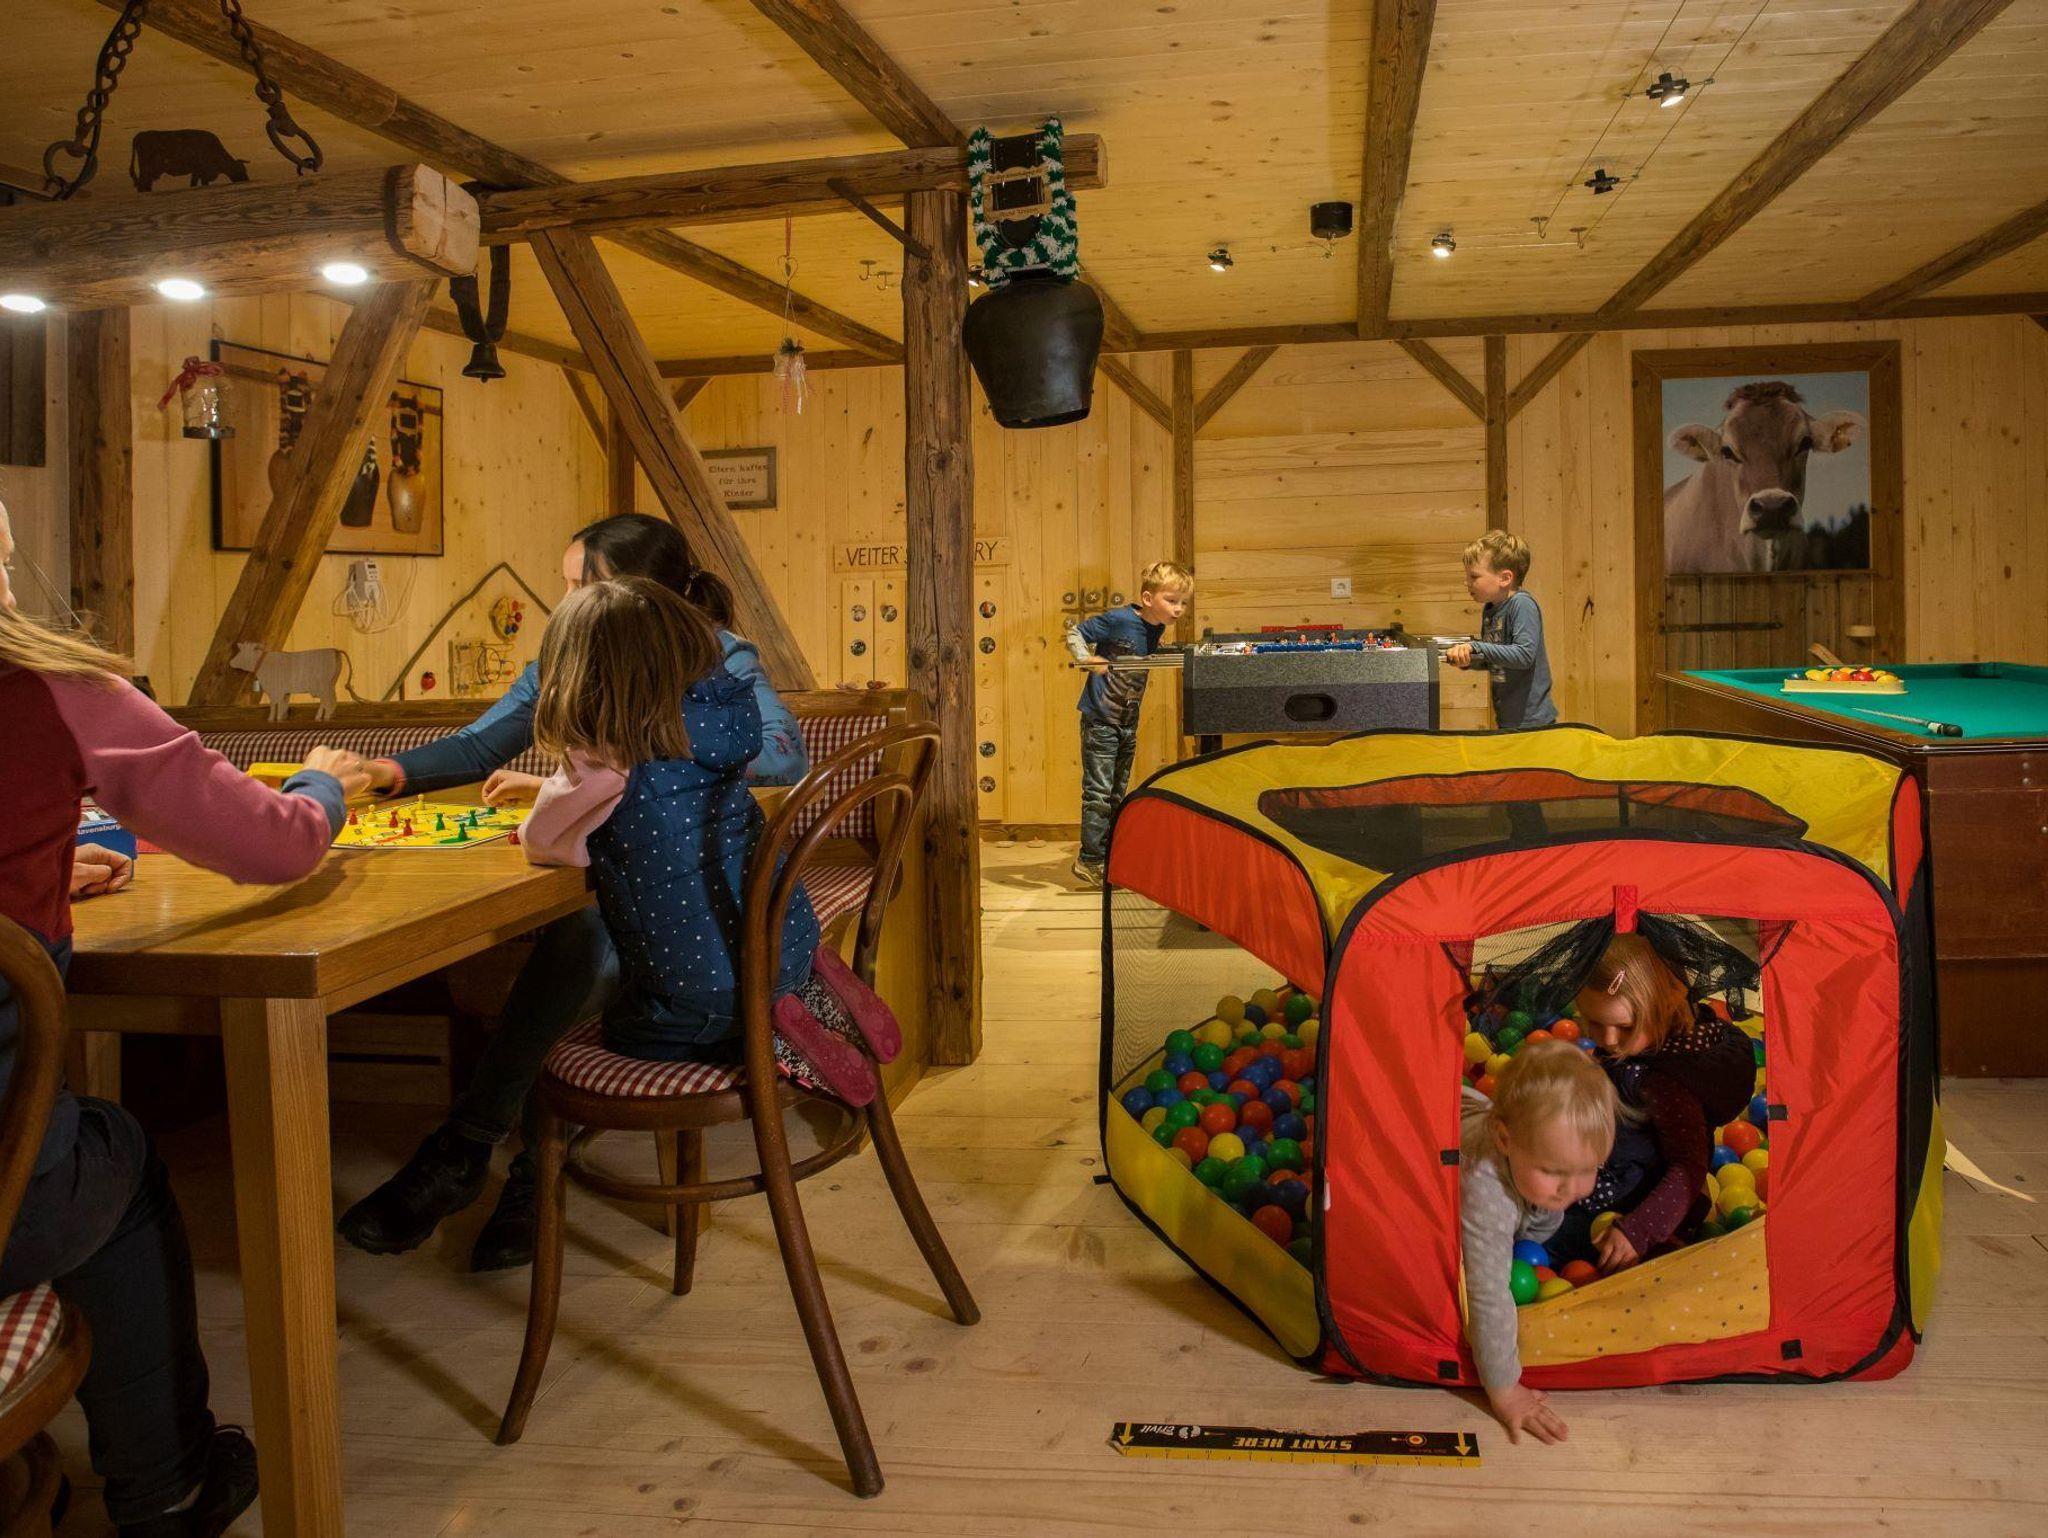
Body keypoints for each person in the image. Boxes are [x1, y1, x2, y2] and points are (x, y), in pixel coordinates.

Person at [0, 499, 369, 1536]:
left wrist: (35, 869)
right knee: (111, 1158)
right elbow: (278, 843)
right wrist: (325, 784)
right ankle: (167, 1486)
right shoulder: (54, 688)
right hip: (4, 1198)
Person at [337, 514, 808, 1271]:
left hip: (710, 899)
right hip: (648, 892)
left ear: (638, 595)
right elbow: (484, 743)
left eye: (578, 585)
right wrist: (389, 772)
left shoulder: (714, 655)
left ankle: (507, 1165)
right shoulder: (579, 645)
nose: (562, 603)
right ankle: (489, 1158)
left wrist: (633, 764)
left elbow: (782, 756)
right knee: (584, 936)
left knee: (586, 942)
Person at [518, 577, 820, 1061]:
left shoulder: (609, 759)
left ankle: (738, 1047)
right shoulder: (712, 735)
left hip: (694, 1006)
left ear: (579, 675)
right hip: (782, 955)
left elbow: (545, 841)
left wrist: (554, 792)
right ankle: (792, 1013)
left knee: (612, 1018)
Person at [1564, 934, 1755, 1272]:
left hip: (1638, 1206)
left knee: (1551, 1234)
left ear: (1663, 1008)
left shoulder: (1664, 1083)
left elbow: (1688, 1168)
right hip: (1615, 1164)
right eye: (1593, 1022)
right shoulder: (1640, 1047)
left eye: (1625, 1027)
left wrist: (1638, 1231)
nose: (1608, 1040)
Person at [1460, 1039, 1618, 1446]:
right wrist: (1504, 1388)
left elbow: (1554, 1202)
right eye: (1552, 1171)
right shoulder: (1486, 1190)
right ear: (1505, 1140)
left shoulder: (1543, 1160)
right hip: (1451, 1133)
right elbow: (1487, 1292)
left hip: (1481, 1113)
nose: (1570, 1187)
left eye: (1587, 1169)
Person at [1064, 561, 1193, 886]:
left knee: (1116, 793)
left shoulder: (1156, 628)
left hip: (1127, 721)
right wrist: (1085, 658)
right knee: (1098, 792)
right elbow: (1076, 632)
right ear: (1148, 599)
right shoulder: (1119, 619)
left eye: (1183, 602)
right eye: (1171, 600)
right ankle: (1090, 860)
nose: (1178, 609)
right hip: (1100, 719)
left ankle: (1109, 857)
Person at [1445, 530, 1556, 732]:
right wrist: (1468, 660)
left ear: (1505, 578)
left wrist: (1476, 646)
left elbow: (1524, 655)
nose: (1466, 582)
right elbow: (1495, 659)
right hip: (1508, 720)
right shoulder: (1490, 610)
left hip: (1532, 724)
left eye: (1474, 576)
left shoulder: (1521, 604)